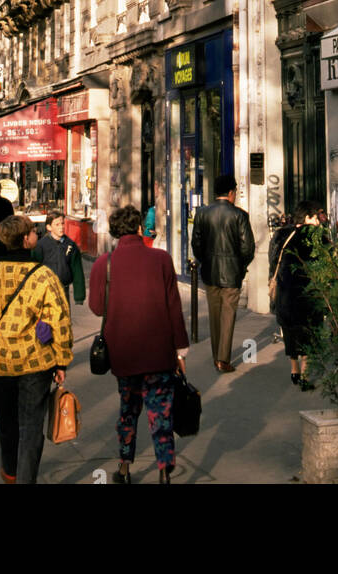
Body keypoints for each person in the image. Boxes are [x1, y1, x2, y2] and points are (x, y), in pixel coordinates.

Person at [0, 214, 73, 485]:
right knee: (31, 426)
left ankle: (10, 472)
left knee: (7, 422)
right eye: (33, 231)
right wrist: (61, 361)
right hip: (36, 363)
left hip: (0, 364)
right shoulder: (44, 276)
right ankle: (25, 479)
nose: (36, 234)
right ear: (26, 240)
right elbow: (59, 320)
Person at [88, 204, 189, 485]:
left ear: (115, 232)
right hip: (159, 353)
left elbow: (97, 308)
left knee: (128, 411)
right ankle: (164, 468)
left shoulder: (103, 263)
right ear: (137, 228)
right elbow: (173, 307)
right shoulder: (161, 259)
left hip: (124, 354)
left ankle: (123, 468)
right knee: (161, 412)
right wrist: (181, 347)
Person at [191, 172, 255, 373]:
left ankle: (215, 355)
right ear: (230, 192)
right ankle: (223, 359)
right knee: (228, 315)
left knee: (215, 315)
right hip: (232, 273)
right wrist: (240, 266)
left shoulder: (202, 213)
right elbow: (248, 248)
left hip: (210, 272)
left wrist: (205, 260)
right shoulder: (239, 215)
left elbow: (196, 244)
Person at [269, 200, 325, 391]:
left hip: (286, 294)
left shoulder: (282, 234)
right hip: (309, 293)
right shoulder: (315, 236)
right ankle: (306, 373)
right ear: (308, 217)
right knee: (308, 331)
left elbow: (273, 260)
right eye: (316, 217)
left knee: (290, 331)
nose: (318, 221)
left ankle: (294, 370)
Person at [31, 213, 85, 306]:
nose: (61, 227)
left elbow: (77, 271)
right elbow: (33, 269)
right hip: (46, 290)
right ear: (49, 227)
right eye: (57, 224)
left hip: (64, 289)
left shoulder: (70, 245)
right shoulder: (40, 246)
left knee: (64, 317)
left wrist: (79, 296)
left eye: (63, 223)